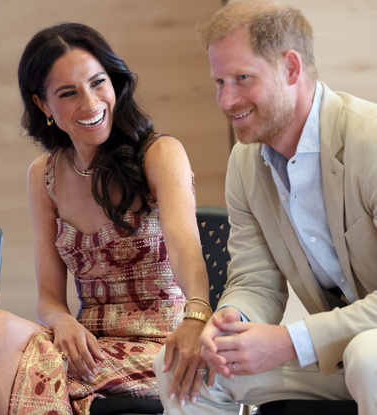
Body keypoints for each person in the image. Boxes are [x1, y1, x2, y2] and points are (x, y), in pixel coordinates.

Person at [0, 22, 214, 415]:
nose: (91, 103)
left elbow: (186, 252)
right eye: (68, 93)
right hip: (85, 345)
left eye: (98, 83)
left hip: (159, 345)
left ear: (114, 83)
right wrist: (62, 322)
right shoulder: (43, 175)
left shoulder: (159, 154)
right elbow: (48, 296)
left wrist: (198, 314)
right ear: (43, 105)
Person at [154, 1, 377, 414]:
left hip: (367, 352)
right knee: (183, 367)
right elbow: (255, 279)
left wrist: (291, 340)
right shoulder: (244, 162)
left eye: (241, 78)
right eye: (219, 81)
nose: (226, 100)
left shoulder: (371, 141)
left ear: (291, 69)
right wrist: (228, 323)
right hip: (338, 350)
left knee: (369, 356)